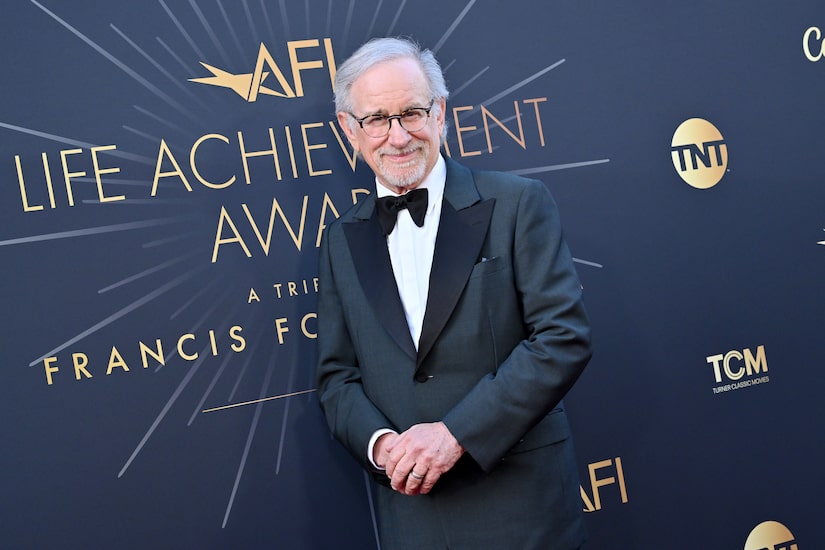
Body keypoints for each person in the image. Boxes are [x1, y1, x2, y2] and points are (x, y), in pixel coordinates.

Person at [316, 36, 592, 550]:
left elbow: (562, 338)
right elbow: (337, 378)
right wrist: (382, 446)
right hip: (412, 517)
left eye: (412, 113)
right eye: (377, 119)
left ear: (440, 112)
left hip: (522, 510)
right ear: (349, 130)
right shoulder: (339, 240)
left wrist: (455, 435)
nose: (398, 136)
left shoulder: (517, 204)